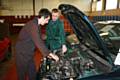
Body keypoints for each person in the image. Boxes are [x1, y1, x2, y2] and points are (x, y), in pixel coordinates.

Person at [15, 8, 59, 80]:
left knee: (32, 72)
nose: (47, 22)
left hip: (29, 52)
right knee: (22, 75)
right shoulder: (33, 26)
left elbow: (39, 36)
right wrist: (51, 55)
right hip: (22, 53)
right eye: (47, 20)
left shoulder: (36, 24)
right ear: (42, 17)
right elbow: (38, 42)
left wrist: (48, 37)